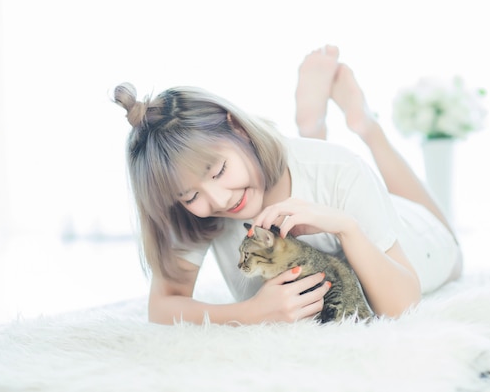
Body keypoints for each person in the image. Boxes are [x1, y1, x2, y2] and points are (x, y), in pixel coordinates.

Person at [113, 45, 463, 325]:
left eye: (219, 171)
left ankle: (366, 125)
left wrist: (346, 228)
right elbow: (162, 308)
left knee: (447, 242)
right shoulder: (188, 203)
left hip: (414, 240)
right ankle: (312, 128)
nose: (219, 199)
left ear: (237, 128)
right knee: (322, 177)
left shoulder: (340, 168)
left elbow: (401, 309)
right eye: (190, 195)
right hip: (326, 179)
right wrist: (246, 315)